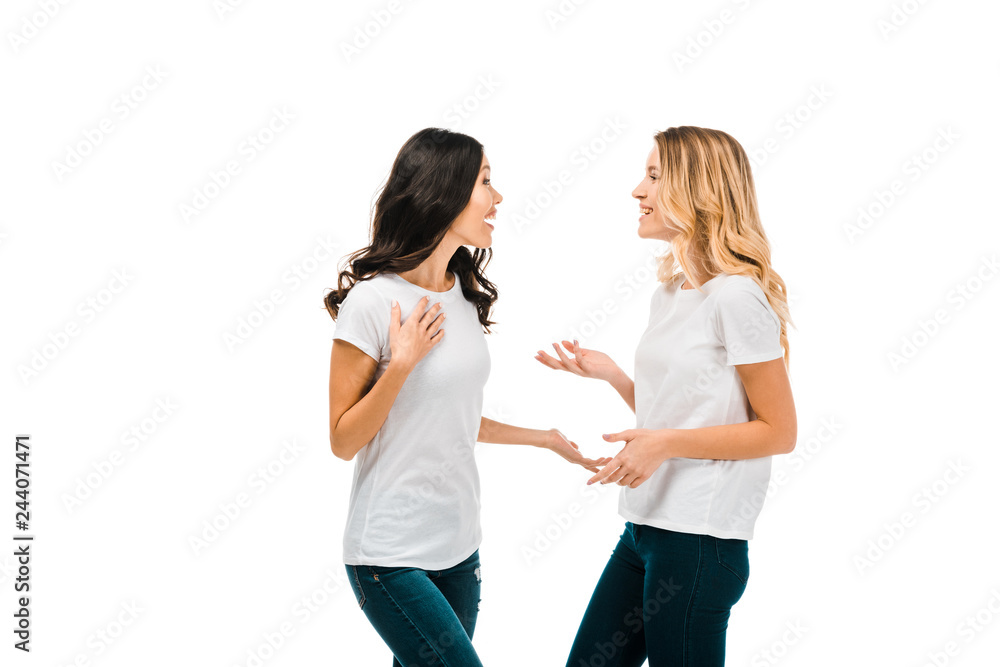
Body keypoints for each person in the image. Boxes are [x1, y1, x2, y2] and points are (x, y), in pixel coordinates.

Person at [325, 127, 607, 667]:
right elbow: (343, 439)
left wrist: (545, 439)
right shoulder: (372, 301)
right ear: (445, 191)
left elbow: (450, 416)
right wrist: (401, 364)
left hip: (458, 544)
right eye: (485, 181)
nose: (497, 197)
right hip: (389, 555)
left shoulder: (459, 291)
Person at [536, 126, 797, 666]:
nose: (638, 190)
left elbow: (779, 430)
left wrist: (665, 445)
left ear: (698, 190)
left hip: (698, 542)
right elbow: (686, 415)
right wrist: (613, 376)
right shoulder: (672, 293)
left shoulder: (739, 296)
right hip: (645, 529)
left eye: (654, 176)